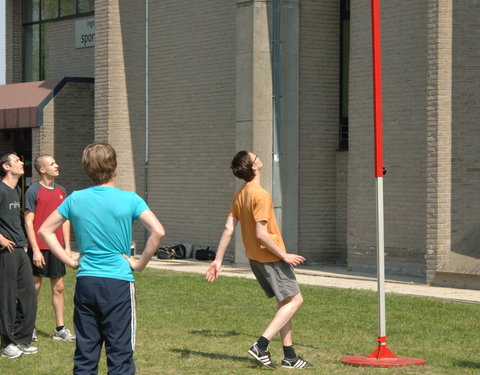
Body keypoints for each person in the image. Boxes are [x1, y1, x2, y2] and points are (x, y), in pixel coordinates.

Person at [39, 143, 164, 375]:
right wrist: (139, 264)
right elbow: (158, 232)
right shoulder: (130, 199)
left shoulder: (75, 198)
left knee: (86, 353)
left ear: (87, 168)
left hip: (87, 281)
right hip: (117, 283)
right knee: (120, 354)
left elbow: (45, 230)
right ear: (114, 167)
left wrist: (69, 260)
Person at [205, 150, 313, 370]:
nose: (258, 156)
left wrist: (217, 260)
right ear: (253, 167)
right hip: (271, 257)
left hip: (256, 259)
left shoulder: (240, 193)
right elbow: (261, 233)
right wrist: (285, 256)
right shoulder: (261, 195)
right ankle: (261, 346)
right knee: (296, 301)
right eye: (254, 156)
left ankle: (290, 356)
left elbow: (228, 228)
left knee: (285, 303)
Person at [24, 155, 75, 342]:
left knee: (59, 287)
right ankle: (28, 328)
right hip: (39, 247)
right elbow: (29, 223)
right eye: (52, 163)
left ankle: (60, 329)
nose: (57, 165)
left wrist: (67, 247)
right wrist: (35, 249)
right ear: (42, 169)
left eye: (56, 162)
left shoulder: (62, 191)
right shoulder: (33, 191)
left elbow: (65, 221)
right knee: (34, 288)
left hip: (57, 248)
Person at [0, 152, 38, 359]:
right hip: (6, 251)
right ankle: (8, 343)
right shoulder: (1, 190)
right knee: (7, 297)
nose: (22, 163)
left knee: (28, 296)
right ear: (6, 167)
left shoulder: (15, 191)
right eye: (17, 161)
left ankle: (22, 339)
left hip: (20, 249)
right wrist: (1, 239)